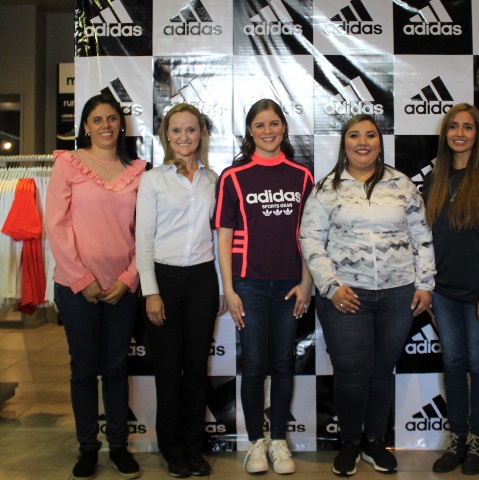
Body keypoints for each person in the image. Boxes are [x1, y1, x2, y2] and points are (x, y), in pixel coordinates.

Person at [299, 114, 436, 476]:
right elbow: (309, 238)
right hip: (345, 295)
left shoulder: (402, 184)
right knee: (351, 372)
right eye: (355, 136)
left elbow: (422, 235)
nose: (363, 142)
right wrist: (330, 286)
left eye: (371, 135)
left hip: (397, 294)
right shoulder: (327, 188)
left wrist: (425, 284)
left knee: (381, 371)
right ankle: (349, 443)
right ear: (344, 143)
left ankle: (375, 441)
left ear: (380, 142)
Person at [45, 94, 146, 480]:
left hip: (122, 288)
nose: (106, 125)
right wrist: (81, 279)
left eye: (112, 118)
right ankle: (88, 448)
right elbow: (56, 226)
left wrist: (128, 279)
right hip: (76, 289)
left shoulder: (138, 171)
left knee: (117, 368)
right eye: (97, 119)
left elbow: (145, 233)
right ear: (85, 126)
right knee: (84, 369)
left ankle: (118, 447)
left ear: (121, 124)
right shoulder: (67, 163)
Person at [214, 99, 314, 475]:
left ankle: (279, 441)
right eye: (260, 125)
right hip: (249, 285)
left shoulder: (302, 176)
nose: (267, 131)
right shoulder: (233, 176)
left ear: (284, 128)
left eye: (274, 124)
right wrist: (229, 289)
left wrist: (306, 283)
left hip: (290, 285)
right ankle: (256, 442)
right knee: (255, 365)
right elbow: (224, 238)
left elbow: (310, 235)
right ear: (250, 131)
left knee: (283, 364)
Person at [423, 104, 479, 475]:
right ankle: (458, 437)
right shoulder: (435, 177)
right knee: (454, 364)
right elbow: (425, 237)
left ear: (477, 134)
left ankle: (478, 438)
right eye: (454, 127)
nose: (460, 133)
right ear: (445, 133)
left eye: (468, 127)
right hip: (442, 291)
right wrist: (427, 286)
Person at [135, 103, 225, 478]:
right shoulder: (153, 180)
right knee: (169, 372)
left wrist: (220, 286)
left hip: (203, 279)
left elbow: (218, 237)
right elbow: (143, 239)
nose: (184, 137)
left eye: (191, 129)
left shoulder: (213, 179)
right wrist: (150, 291)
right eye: (176, 130)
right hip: (164, 280)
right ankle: (172, 450)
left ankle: (193, 448)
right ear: (166, 136)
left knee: (197, 372)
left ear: (201, 133)